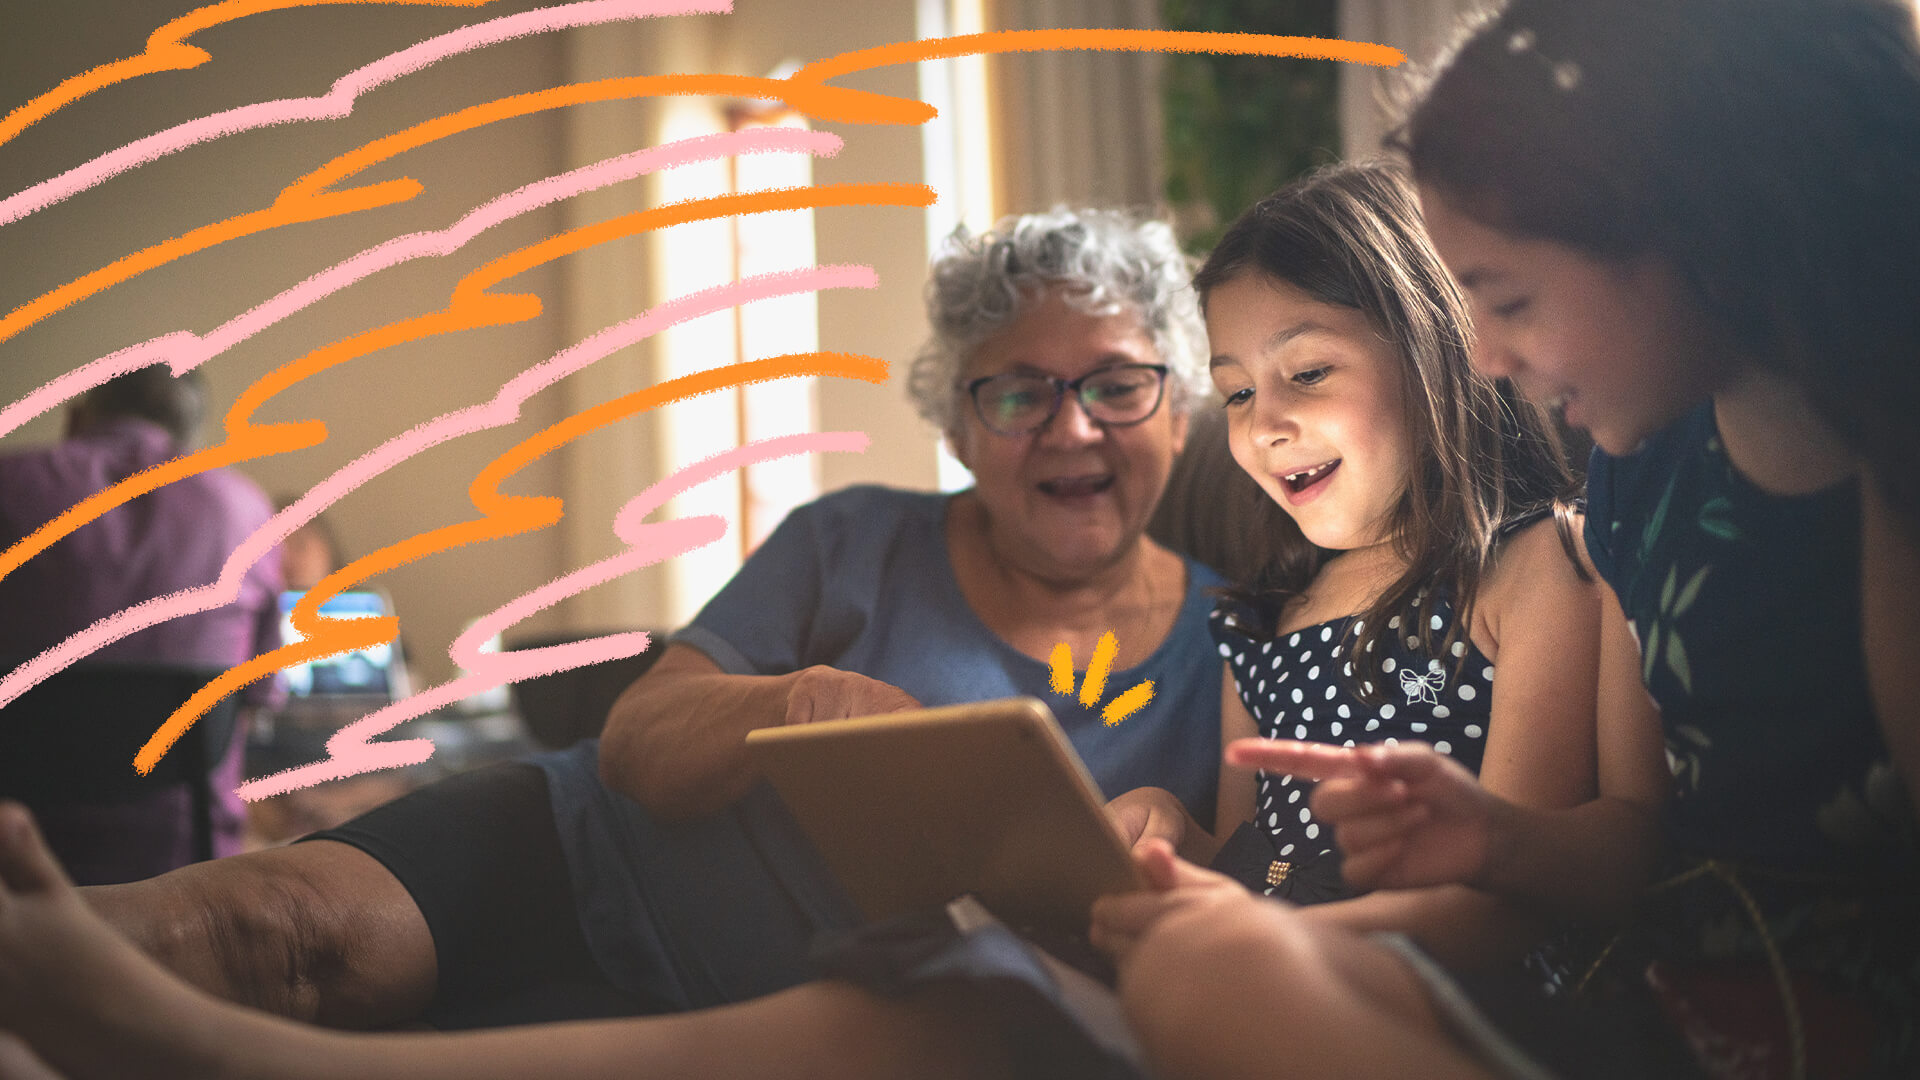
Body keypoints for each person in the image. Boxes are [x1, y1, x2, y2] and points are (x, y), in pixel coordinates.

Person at [62, 207, 1228, 1040]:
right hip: (580, 850)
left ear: (1175, 407)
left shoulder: (1235, 647)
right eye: (1018, 392)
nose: (1071, 430)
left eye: (1116, 384)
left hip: (822, 1014)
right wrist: (798, 701)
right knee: (277, 933)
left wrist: (1177, 841)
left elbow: (1245, 919)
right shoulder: (853, 539)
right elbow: (640, 739)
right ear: (961, 427)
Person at [1100, 1, 1920, 1077]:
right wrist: (1477, 846)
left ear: (1690, 231)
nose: (1481, 357)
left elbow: (1613, 851)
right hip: (1662, 1020)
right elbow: (1630, 845)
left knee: (1207, 980)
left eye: (1510, 299)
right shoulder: (1636, 484)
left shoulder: (1869, 458)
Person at [1099, 161, 1612, 972]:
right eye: (1235, 394)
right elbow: (1255, 863)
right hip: (1271, 983)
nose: (1264, 425)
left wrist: (1289, 947)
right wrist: (1176, 838)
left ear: (1434, 351)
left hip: (1440, 999)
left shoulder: (1535, 569)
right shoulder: (1263, 620)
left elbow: (1509, 902)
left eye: (1307, 374)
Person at [0, 366, 282, 884]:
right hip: (187, 873)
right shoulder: (244, 509)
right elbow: (260, 696)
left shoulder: (8, 485)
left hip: (18, 868)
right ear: (190, 437)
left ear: (77, 418)